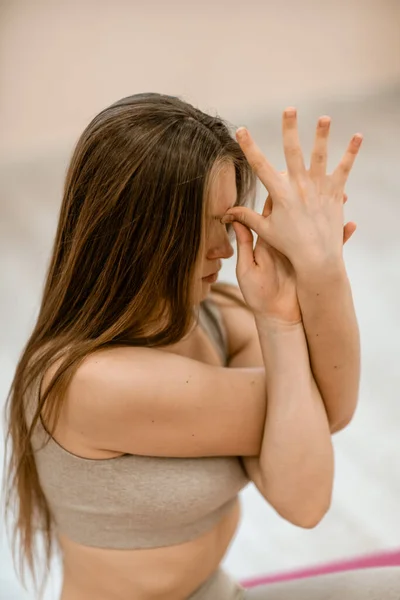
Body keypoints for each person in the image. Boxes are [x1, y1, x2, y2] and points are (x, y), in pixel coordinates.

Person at [4, 93, 399, 600]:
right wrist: (299, 298)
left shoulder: (214, 316)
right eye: (203, 225)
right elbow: (310, 487)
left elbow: (318, 432)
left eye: (228, 221)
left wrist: (317, 276)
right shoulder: (87, 383)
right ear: (138, 232)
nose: (227, 248)